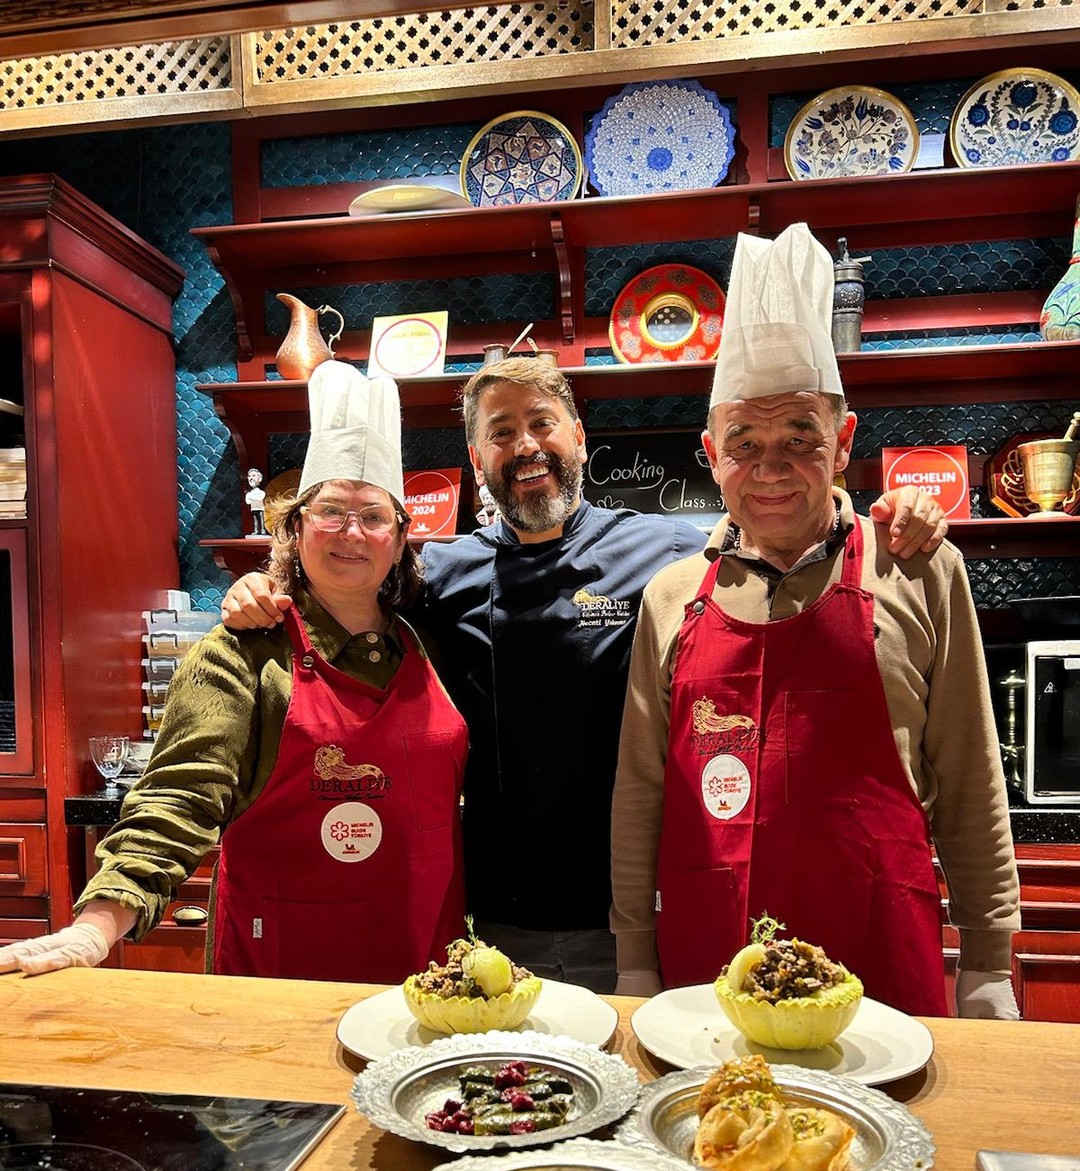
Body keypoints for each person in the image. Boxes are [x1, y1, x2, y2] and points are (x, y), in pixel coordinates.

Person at [219, 356, 947, 994]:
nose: (524, 445)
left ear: (578, 436)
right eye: (501, 432)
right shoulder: (439, 573)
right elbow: (340, 591)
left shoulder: (667, 551)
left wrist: (888, 513)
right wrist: (263, 590)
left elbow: (780, 539)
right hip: (491, 913)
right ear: (477, 456)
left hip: (635, 909)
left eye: (541, 423)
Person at [610, 224, 1020, 1019]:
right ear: (711, 453)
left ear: (842, 442)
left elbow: (971, 774)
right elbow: (640, 793)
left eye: (800, 437)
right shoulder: (670, 597)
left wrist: (988, 959)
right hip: (709, 958)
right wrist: (633, 959)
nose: (770, 466)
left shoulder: (919, 566)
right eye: (744, 442)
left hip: (877, 949)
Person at [0, 361, 466, 981]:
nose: (352, 532)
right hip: (284, 966)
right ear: (295, 527)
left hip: (425, 958)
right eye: (331, 510)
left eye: (374, 516)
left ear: (401, 536)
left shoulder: (431, 641)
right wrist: (97, 926)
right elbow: (180, 793)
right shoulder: (240, 650)